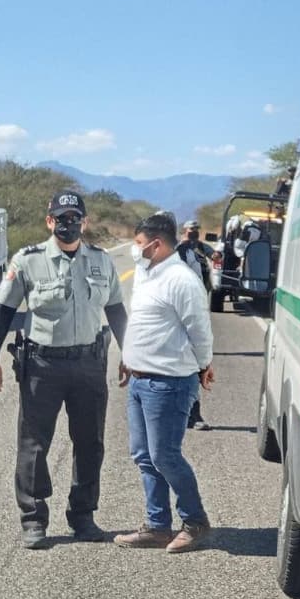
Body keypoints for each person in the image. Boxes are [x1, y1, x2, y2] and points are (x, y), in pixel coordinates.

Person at [0, 190, 128, 549]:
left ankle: (83, 515)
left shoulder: (100, 261)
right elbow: (3, 310)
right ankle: (33, 518)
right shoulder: (28, 260)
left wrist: (131, 353)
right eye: (61, 218)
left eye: (74, 217)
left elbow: (116, 311)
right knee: (33, 444)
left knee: (90, 443)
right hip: (42, 366)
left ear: (85, 221)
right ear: (50, 221)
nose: (68, 224)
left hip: (89, 365)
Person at [115, 214, 215, 553]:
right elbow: (142, 323)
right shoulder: (147, 274)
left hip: (169, 383)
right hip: (140, 380)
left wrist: (204, 365)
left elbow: (199, 330)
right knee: (144, 455)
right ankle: (158, 525)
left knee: (165, 456)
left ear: (157, 245)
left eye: (139, 243)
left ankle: (195, 521)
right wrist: (128, 358)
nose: (135, 249)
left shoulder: (181, 280)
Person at [177, 220, 214, 431]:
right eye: (191, 231)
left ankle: (192, 413)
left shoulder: (197, 249)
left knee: (194, 362)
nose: (193, 234)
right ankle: (188, 413)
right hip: (183, 312)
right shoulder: (179, 252)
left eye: (196, 231)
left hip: (197, 308)